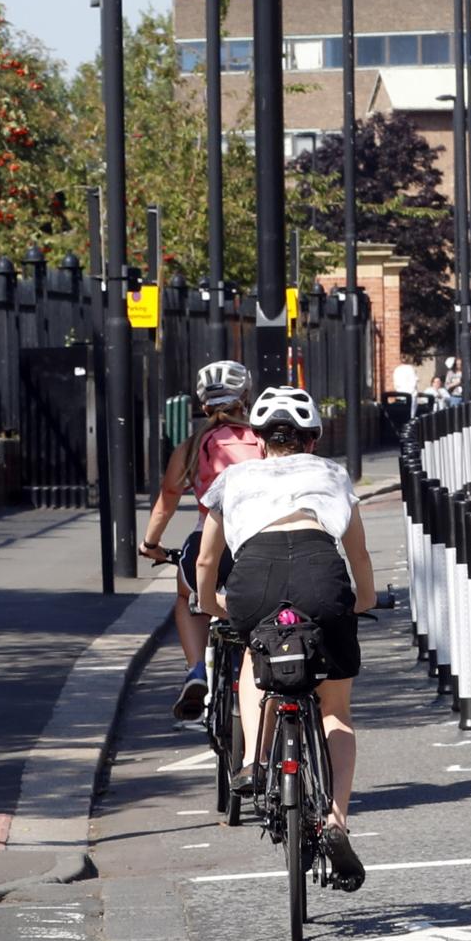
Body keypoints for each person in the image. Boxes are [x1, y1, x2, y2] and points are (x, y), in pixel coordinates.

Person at [195, 385, 374, 892]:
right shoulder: (333, 473)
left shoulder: (233, 478)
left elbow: (207, 561)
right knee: (335, 710)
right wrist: (362, 601)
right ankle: (337, 819)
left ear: (259, 438)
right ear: (311, 439)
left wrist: (213, 605)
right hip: (321, 573)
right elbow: (357, 556)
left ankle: (253, 760)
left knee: (257, 656)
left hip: (256, 576)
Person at [140, 360, 267, 720]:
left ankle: (196, 668)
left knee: (187, 596)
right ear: (246, 396)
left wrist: (151, 543)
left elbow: (167, 499)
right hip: (257, 546)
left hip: (208, 549)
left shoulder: (193, 446)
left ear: (202, 403)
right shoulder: (263, 439)